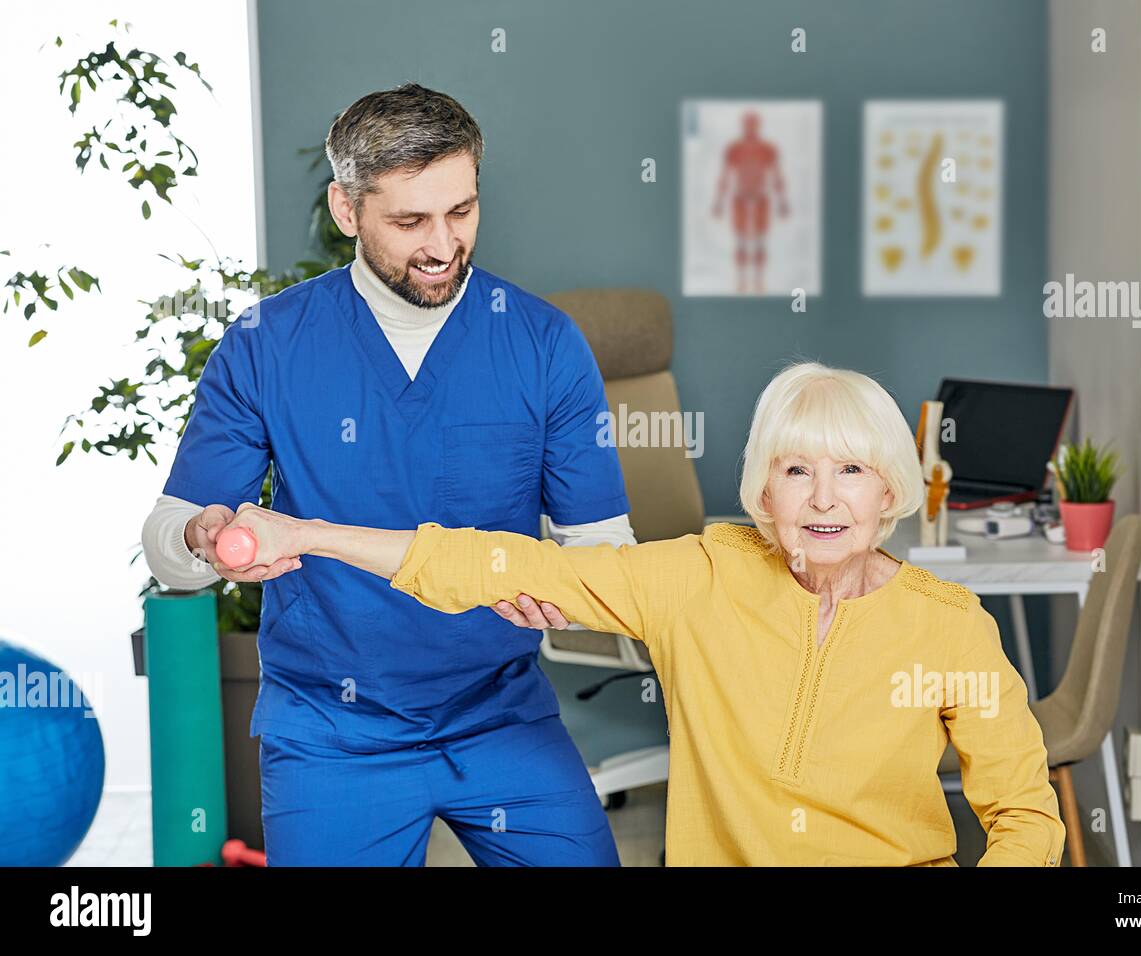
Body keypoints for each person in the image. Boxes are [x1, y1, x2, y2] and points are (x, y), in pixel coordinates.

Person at [219, 361, 1069, 866]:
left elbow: (1026, 813)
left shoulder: (950, 624)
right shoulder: (706, 575)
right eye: (795, 471)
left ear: (889, 490)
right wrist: (310, 532)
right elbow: (505, 562)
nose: (821, 499)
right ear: (763, 491)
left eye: (850, 471)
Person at [140, 84, 632, 866]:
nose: (442, 245)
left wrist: (577, 598)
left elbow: (606, 556)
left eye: (462, 211)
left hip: (501, 716)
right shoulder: (267, 345)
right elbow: (169, 545)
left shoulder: (544, 344)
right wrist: (202, 537)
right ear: (346, 209)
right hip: (333, 731)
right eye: (410, 221)